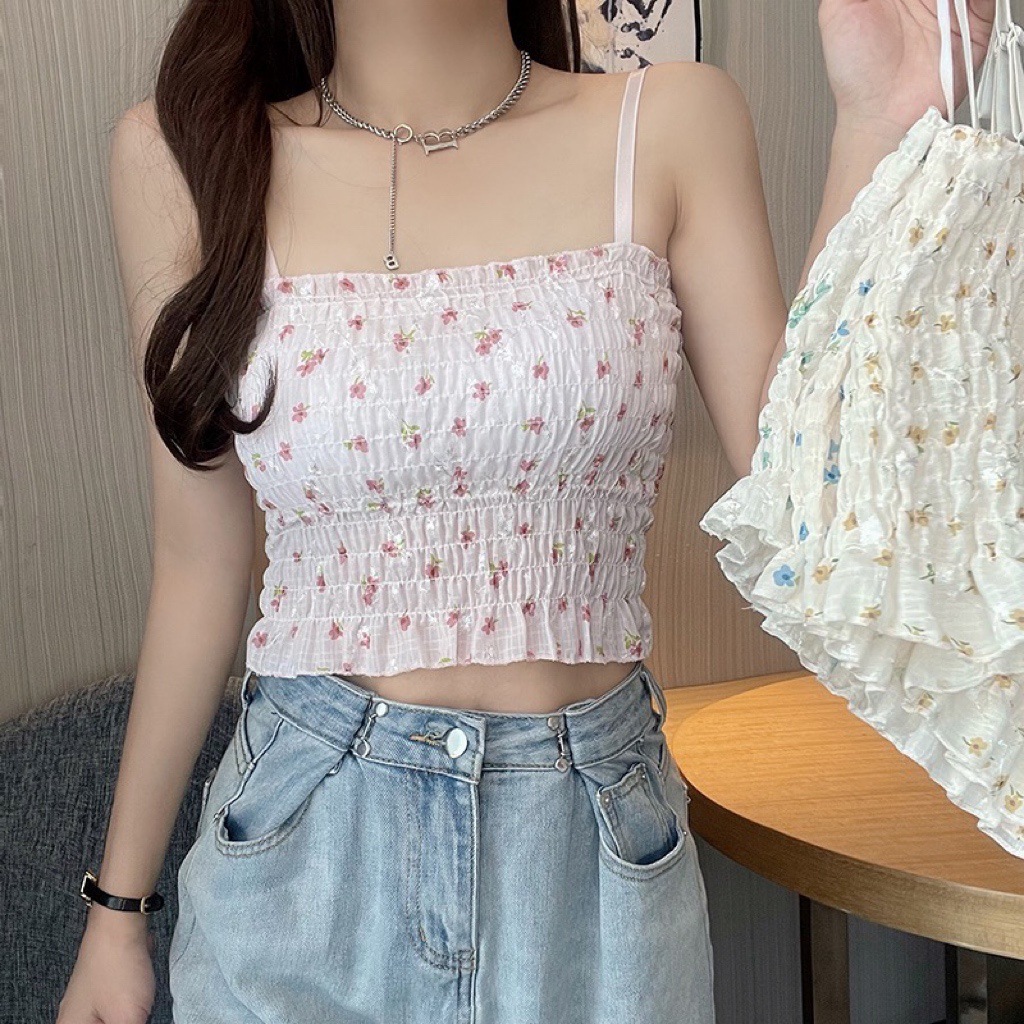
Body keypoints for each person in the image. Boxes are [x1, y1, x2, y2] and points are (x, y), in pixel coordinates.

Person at [57, 0, 993, 1021]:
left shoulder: (671, 123)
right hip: (304, 856)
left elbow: (809, 503)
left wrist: (878, 123)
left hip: (593, 864)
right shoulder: (184, 158)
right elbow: (198, 566)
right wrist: (117, 915)